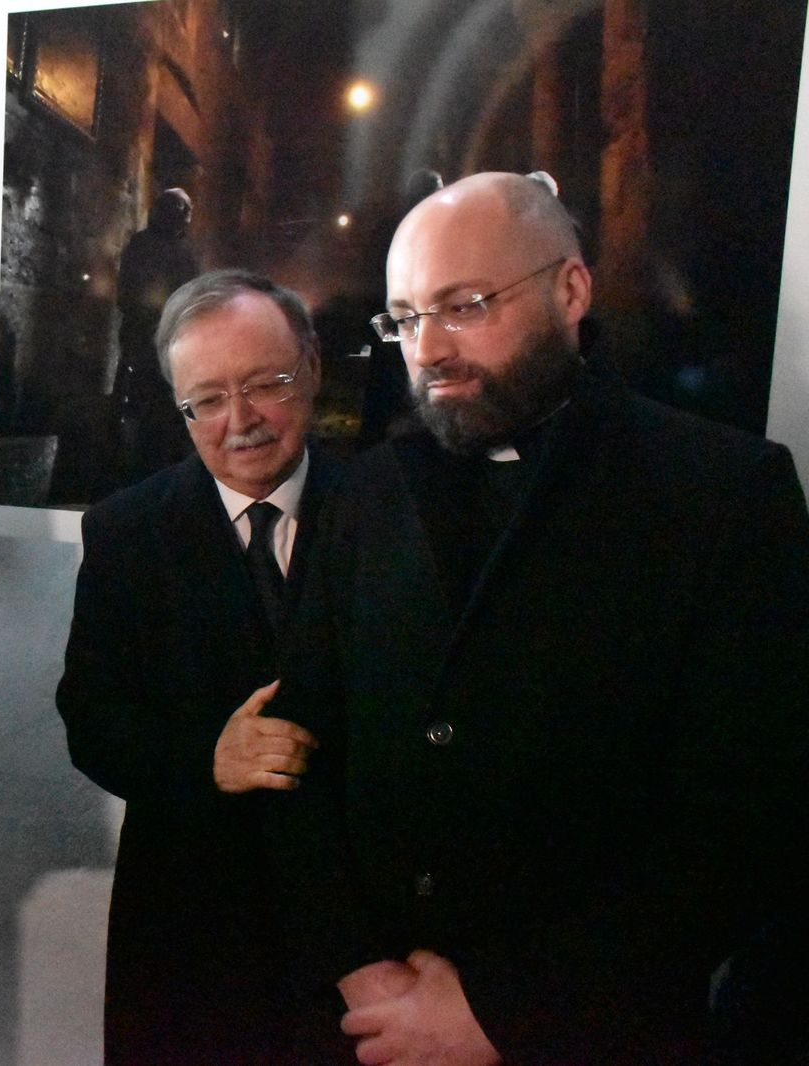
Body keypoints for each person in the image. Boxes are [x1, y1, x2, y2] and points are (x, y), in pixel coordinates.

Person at [272, 172, 809, 1064]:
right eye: (405, 318)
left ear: (571, 289)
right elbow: (301, 739)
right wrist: (362, 972)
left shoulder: (726, 496)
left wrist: (502, 1010)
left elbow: (748, 818)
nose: (429, 347)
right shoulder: (365, 493)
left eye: (465, 304)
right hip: (365, 1027)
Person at [59, 269, 338, 1063]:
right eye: (207, 400)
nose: (240, 421)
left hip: (357, 939)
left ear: (311, 368)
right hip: (189, 932)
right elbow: (93, 723)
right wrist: (206, 758)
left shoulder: (387, 510)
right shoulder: (126, 532)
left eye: (266, 385)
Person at [101, 187, 201, 497]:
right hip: (143, 341)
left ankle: (157, 470)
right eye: (176, 209)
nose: (181, 217)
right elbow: (129, 293)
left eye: (184, 211)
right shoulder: (143, 245)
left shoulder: (184, 253)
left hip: (169, 345)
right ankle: (124, 470)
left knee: (165, 410)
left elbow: (191, 294)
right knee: (133, 404)